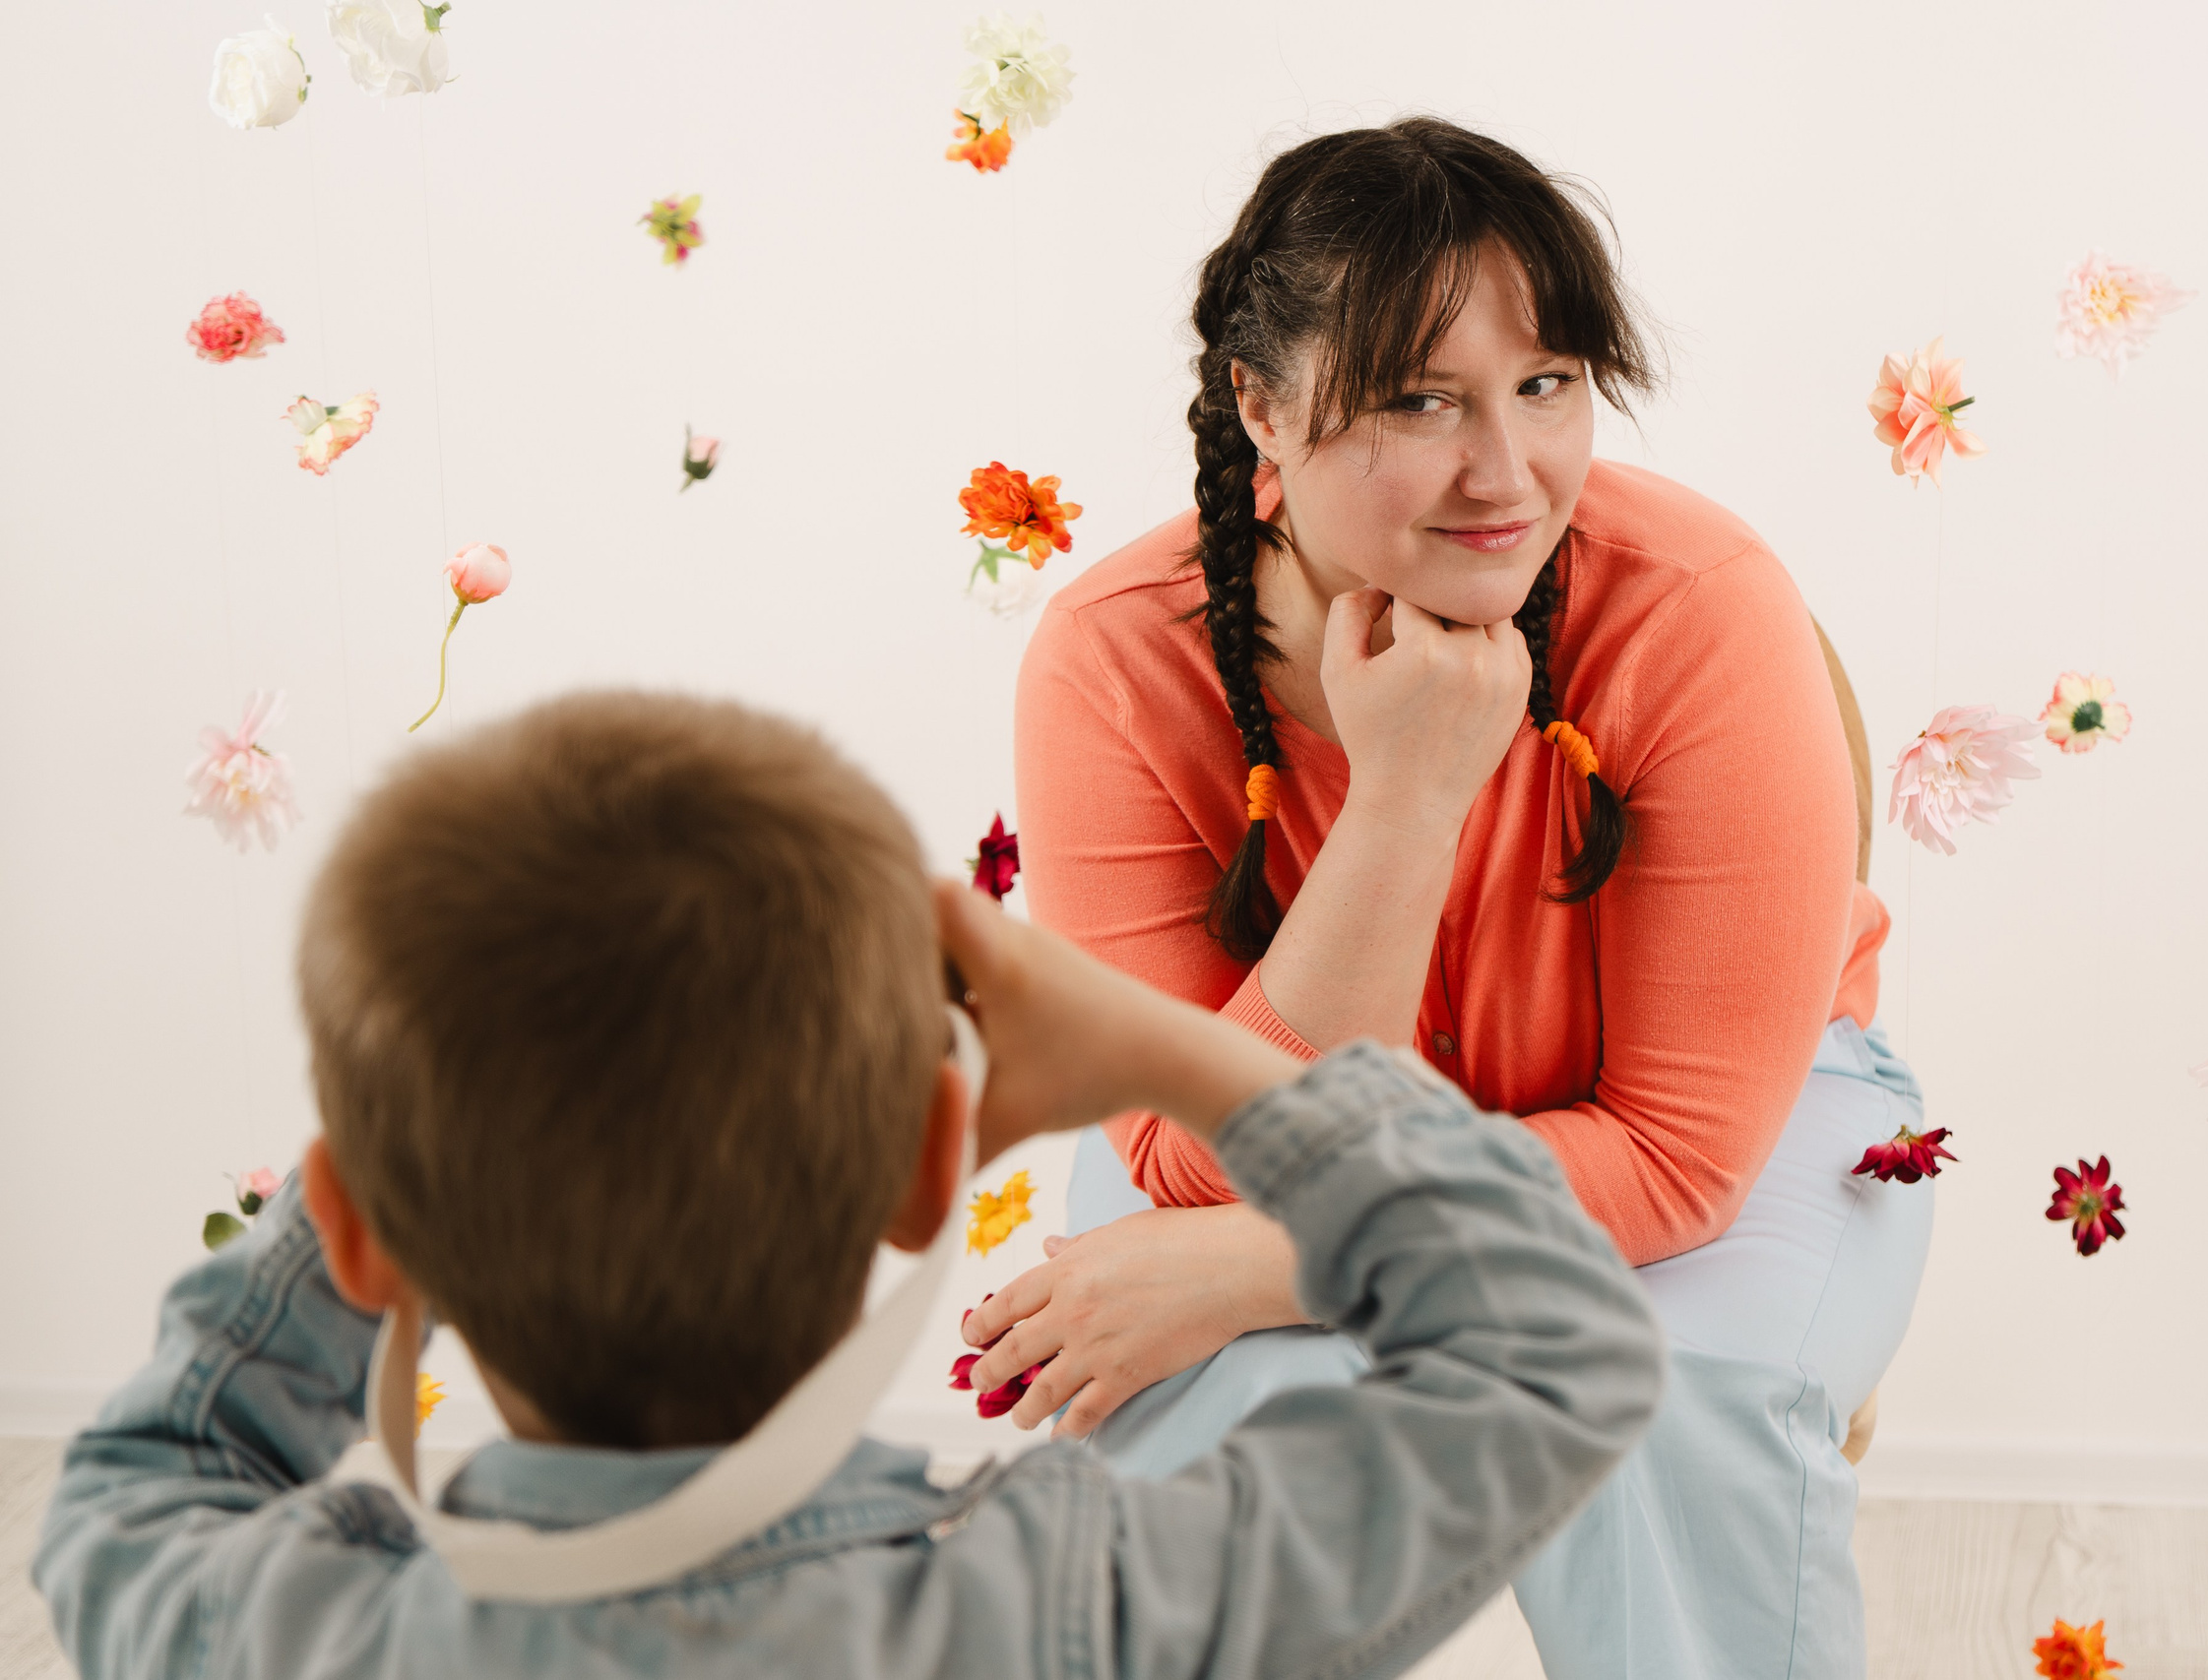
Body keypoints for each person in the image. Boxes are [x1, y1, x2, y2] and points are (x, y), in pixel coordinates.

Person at [34, 691, 1664, 1678]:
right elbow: (1551, 1350)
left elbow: (150, 1465)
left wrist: (388, 1164)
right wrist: (1177, 1050)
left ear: (363, 1233)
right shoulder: (1073, 1611)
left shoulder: (271, 1635)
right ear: (925, 1170)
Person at [988, 117, 1933, 1677]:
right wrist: (1407, 798)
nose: (1507, 473)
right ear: (1260, 408)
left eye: (1546, 385)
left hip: (1708, 1136)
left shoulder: (1698, 612)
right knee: (1203, 1427)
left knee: (1653, 1408)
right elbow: (1196, 1169)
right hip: (1242, 1165)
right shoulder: (1112, 661)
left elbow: (1681, 1160)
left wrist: (1282, 1269)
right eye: (1422, 400)